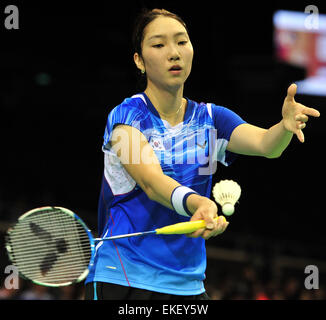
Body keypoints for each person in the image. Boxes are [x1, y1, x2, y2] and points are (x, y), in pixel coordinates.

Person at [84, 8, 320, 300]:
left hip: (189, 284)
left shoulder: (210, 118)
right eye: (159, 45)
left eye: (181, 42)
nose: (174, 53)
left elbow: (265, 145)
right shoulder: (126, 118)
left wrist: (283, 127)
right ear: (139, 61)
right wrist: (198, 203)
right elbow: (151, 182)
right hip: (124, 278)